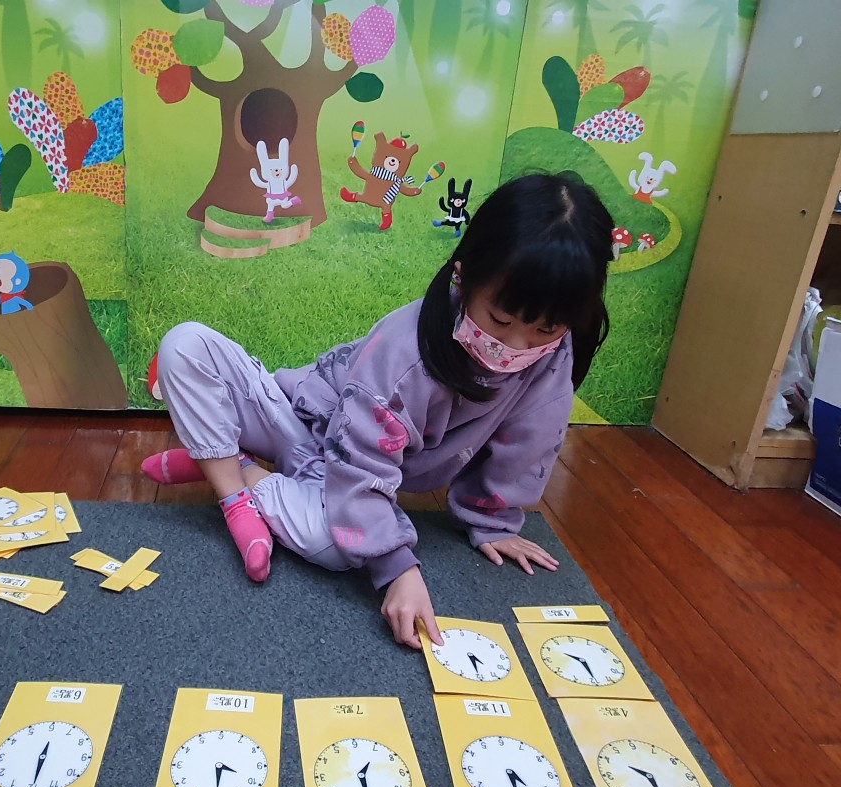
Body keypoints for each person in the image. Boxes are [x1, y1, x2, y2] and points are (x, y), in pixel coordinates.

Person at [141, 173, 613, 650]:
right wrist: (398, 569)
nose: (515, 346)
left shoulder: (552, 360)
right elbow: (363, 460)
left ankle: (230, 464)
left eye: (546, 329)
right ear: (463, 276)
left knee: (338, 545)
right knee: (184, 345)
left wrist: (490, 521)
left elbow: (528, 443)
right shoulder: (406, 352)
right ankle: (235, 490)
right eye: (501, 319)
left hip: (336, 473)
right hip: (298, 420)